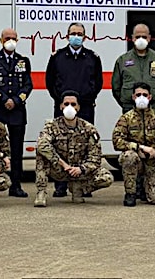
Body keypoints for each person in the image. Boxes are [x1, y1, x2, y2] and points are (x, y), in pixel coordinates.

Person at [45, 22, 103, 198]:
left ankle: (84, 184)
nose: (76, 36)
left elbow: (98, 83)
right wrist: (62, 101)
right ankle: (60, 186)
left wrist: (85, 99)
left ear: (85, 37)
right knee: (60, 145)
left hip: (85, 108)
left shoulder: (92, 58)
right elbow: (50, 82)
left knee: (85, 146)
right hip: (63, 109)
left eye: (79, 33)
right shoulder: (58, 57)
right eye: (73, 33)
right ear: (67, 36)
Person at [33, 90, 113, 207]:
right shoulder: (51, 126)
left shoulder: (88, 129)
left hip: (78, 171)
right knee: (41, 154)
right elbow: (41, 144)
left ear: (78, 107)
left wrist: (81, 169)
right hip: (59, 168)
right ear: (60, 106)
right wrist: (62, 164)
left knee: (107, 177)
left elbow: (95, 158)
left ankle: (79, 189)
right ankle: (41, 192)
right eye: (66, 104)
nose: (69, 107)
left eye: (73, 104)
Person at [0, 28, 33, 198]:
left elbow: (28, 85)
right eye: (7, 38)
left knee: (17, 150)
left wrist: (16, 100)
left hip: (17, 112)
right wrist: (4, 99)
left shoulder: (23, 61)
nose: (11, 41)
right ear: (1, 40)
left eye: (14, 38)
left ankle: (16, 185)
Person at [112, 82, 155, 206]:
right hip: (136, 158)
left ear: (150, 97)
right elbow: (117, 141)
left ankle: (149, 187)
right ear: (133, 97)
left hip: (153, 161)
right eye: (138, 94)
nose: (141, 97)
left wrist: (154, 152)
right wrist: (138, 148)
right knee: (129, 157)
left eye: (144, 95)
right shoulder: (126, 118)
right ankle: (130, 193)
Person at [111, 23, 155, 114]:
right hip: (129, 108)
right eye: (138, 37)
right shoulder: (122, 60)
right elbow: (116, 87)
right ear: (132, 38)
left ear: (149, 38)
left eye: (144, 37)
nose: (141, 39)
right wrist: (126, 103)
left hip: (153, 108)